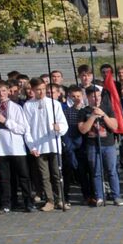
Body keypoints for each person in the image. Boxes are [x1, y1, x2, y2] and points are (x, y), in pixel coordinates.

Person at [24, 78, 70, 211]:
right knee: (44, 176)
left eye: (43, 89)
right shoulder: (28, 105)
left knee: (57, 174)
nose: (41, 92)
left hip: (53, 143)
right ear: (32, 90)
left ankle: (60, 199)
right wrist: (31, 146)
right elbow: (27, 128)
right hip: (38, 145)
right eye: (38, 89)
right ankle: (49, 200)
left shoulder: (54, 104)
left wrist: (59, 128)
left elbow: (63, 124)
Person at [76, 86, 123, 208]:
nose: (96, 99)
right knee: (96, 172)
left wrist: (103, 115)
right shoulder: (83, 111)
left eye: (98, 96)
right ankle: (99, 196)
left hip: (108, 144)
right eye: (92, 97)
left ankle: (116, 196)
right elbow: (83, 130)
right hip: (92, 145)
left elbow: (114, 126)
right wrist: (92, 116)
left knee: (112, 171)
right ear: (88, 97)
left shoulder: (107, 108)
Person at [0, 80, 33, 212]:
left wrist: (6, 121)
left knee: (23, 176)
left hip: (16, 148)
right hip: (0, 148)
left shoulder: (16, 107)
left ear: (8, 91)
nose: (1, 94)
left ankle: (28, 202)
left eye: (4, 91)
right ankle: (7, 203)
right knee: (4, 178)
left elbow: (22, 128)